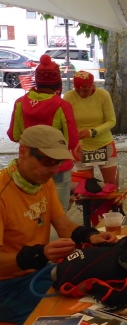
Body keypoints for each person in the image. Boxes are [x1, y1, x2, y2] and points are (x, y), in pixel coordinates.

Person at [0, 125, 117, 325]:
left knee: (100, 292)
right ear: (23, 151)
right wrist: (40, 254)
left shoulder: (43, 182)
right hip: (6, 287)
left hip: (37, 273)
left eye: (59, 162)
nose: (54, 170)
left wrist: (91, 236)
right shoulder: (4, 192)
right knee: (75, 313)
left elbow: (63, 225)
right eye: (48, 161)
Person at [7, 54, 79, 210]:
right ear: (58, 83)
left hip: (30, 166)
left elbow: (14, 135)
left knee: (32, 213)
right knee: (57, 213)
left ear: (37, 81)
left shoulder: (20, 103)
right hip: (57, 167)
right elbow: (72, 141)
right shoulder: (62, 105)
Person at [63, 71, 118, 186]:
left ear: (93, 86)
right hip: (80, 146)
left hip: (103, 143)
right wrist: (75, 139)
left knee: (111, 184)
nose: (81, 93)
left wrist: (93, 132)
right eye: (78, 90)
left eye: (85, 90)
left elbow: (111, 121)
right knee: (86, 185)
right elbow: (66, 122)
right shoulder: (68, 96)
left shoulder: (103, 95)